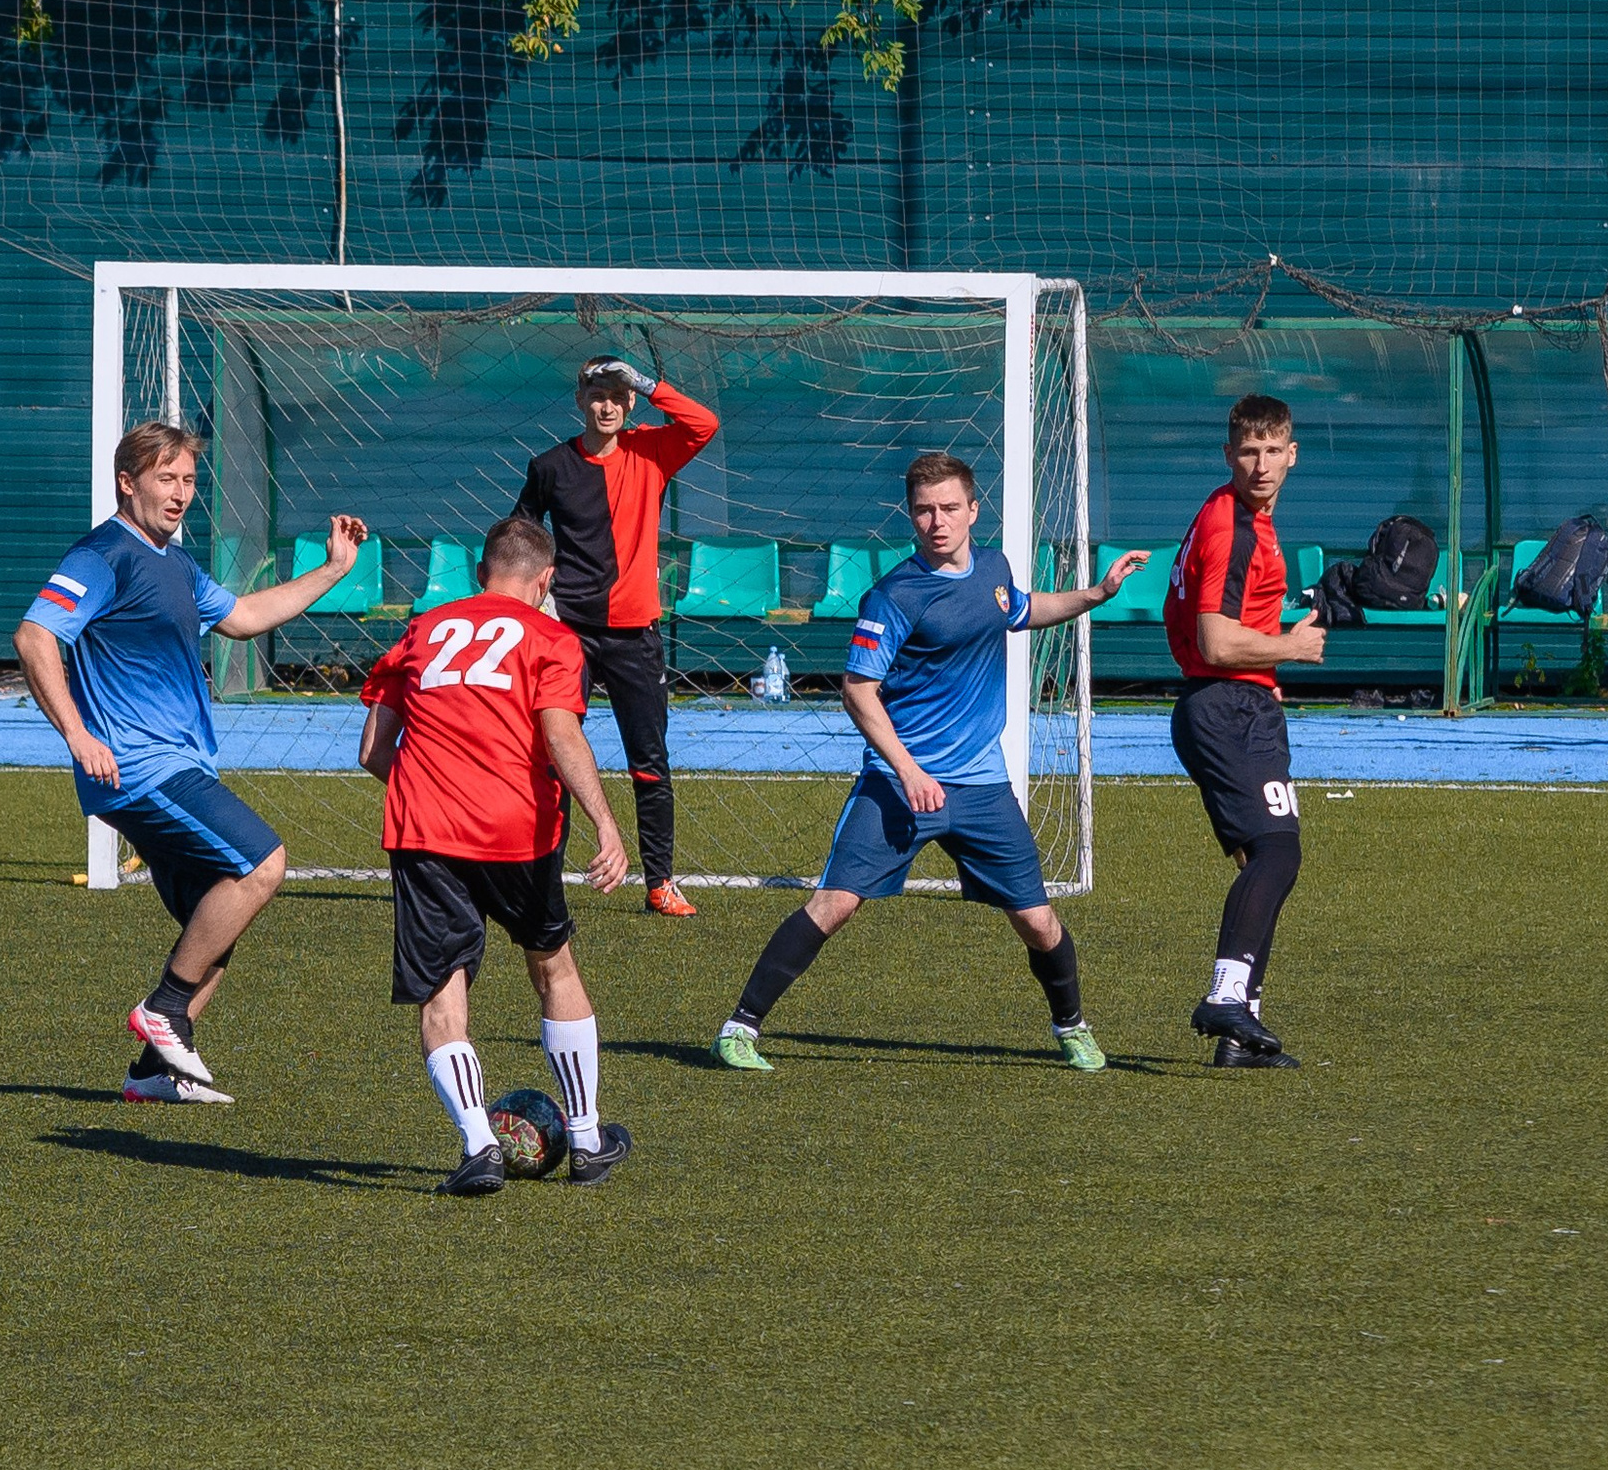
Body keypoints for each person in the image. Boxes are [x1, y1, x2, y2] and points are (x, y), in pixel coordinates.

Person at [711, 452, 1148, 1074]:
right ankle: (738, 1029)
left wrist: (1097, 594)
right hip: (899, 785)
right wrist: (911, 771)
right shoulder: (892, 596)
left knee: (1038, 919)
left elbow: (1020, 610)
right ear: (910, 516)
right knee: (833, 903)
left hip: (981, 787)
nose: (936, 522)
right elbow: (857, 689)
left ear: (973, 510)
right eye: (924, 510)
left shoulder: (993, 568)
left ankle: (1072, 1026)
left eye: (949, 508)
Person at [14, 420, 369, 1104]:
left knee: (215, 921)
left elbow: (241, 616)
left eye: (188, 482)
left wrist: (331, 569)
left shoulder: (174, 562)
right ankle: (166, 1008)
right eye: (166, 479)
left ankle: (150, 1075)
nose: (180, 494)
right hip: (141, 768)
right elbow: (34, 637)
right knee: (261, 863)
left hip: (178, 766)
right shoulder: (102, 554)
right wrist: (78, 735)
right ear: (127, 481)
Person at [357, 514, 634, 1193]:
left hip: (424, 828)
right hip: (518, 827)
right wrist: (606, 822)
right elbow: (561, 734)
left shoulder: (423, 629)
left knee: (443, 989)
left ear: (480, 575)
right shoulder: (552, 636)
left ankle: (479, 1146)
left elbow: (371, 750)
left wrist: (434, 790)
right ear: (545, 581)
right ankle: (590, 1139)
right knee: (553, 965)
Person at [513, 352, 718, 918]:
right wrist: (534, 603)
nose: (607, 404)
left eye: (617, 395)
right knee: (554, 757)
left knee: (649, 760)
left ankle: (660, 883)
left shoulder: (652, 449)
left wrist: (649, 382)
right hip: (568, 635)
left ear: (630, 403)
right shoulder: (550, 465)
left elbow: (704, 424)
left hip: (635, 638)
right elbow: (520, 539)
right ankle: (541, 879)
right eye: (596, 394)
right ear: (580, 401)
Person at [1166, 392, 1328, 1068]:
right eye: (1248, 451)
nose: (1261, 464)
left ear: (1292, 455)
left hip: (1238, 703)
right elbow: (1217, 641)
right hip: (1226, 704)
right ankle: (1227, 1000)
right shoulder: (1232, 526)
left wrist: (1272, 662)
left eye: (1272, 451)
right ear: (1229, 454)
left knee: (1264, 861)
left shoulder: (1243, 517)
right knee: (1279, 855)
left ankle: (1240, 1035)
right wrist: (1291, 647)